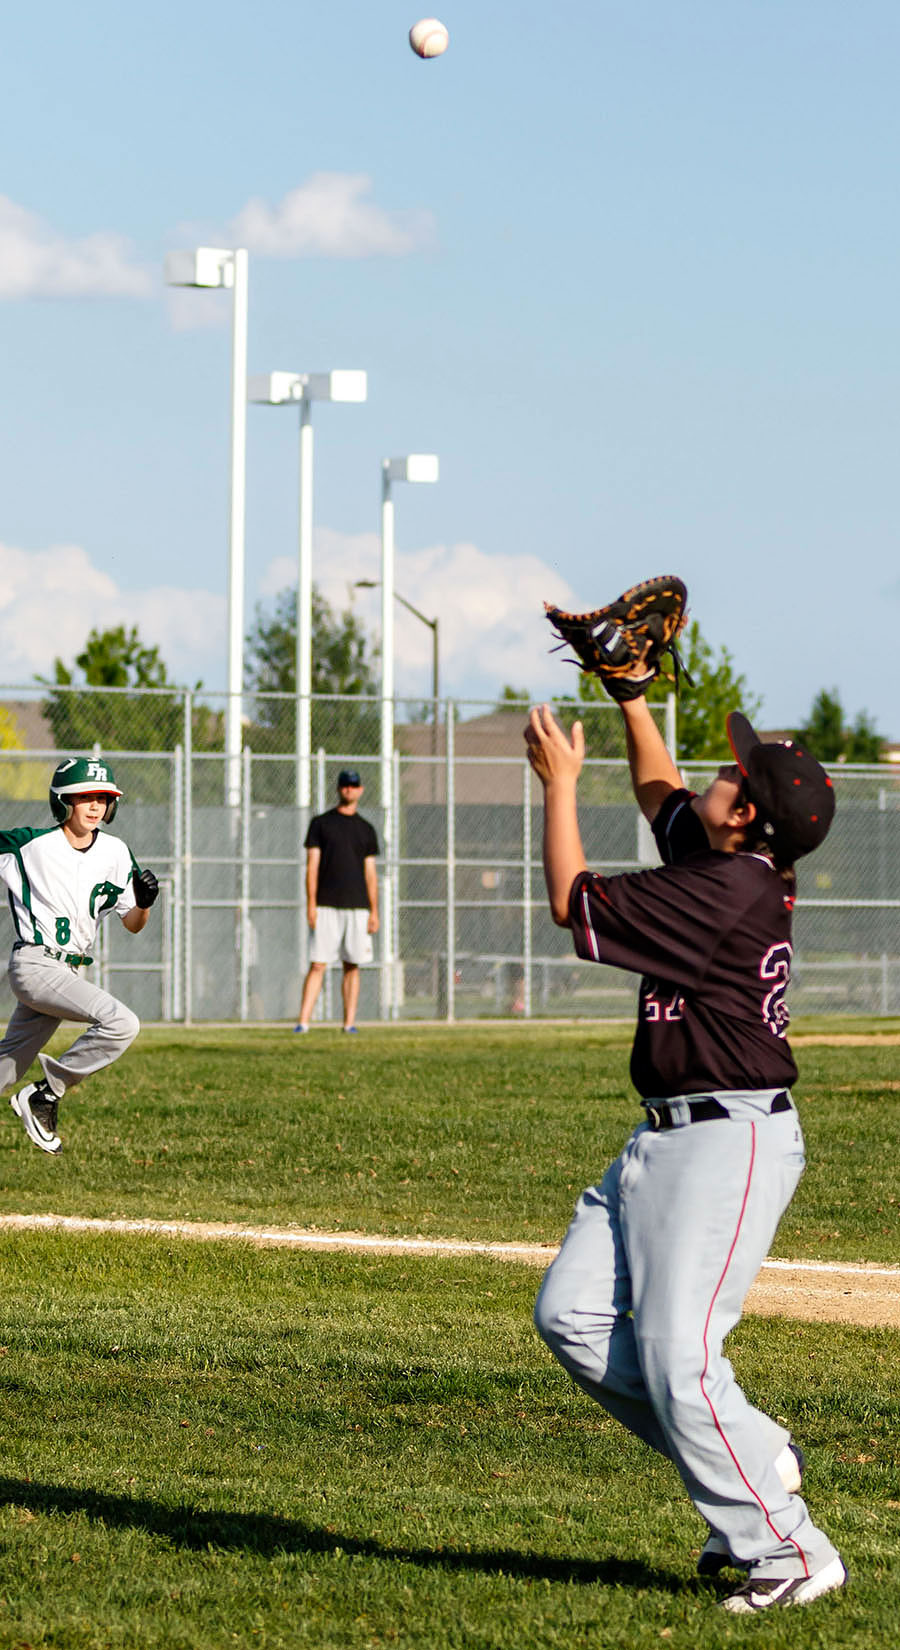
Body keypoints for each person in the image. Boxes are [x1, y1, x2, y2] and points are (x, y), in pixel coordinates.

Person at [525, 689, 848, 1614]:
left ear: (745, 815)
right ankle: (749, 1455)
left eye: (730, 774)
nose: (712, 773)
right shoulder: (730, 862)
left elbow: (570, 903)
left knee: (676, 1354)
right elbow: (661, 789)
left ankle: (790, 1552)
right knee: (574, 1315)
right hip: (666, 1134)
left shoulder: (731, 885)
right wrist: (630, 698)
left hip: (728, 1138)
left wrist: (557, 785)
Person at [0, 755, 159, 1155]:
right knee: (121, 1023)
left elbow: (133, 923)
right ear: (62, 802)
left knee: (6, 1067)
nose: (94, 805)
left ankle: (34, 1090)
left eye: (103, 798)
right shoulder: (29, 844)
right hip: (35, 963)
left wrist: (146, 903)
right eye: (83, 796)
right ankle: (46, 1092)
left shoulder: (117, 852)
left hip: (65, 972)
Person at [294, 769, 379, 1035]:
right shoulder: (321, 824)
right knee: (318, 963)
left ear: (360, 790)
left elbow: (371, 874)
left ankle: (349, 1023)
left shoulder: (366, 829)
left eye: (354, 786)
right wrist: (311, 904)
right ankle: (303, 1022)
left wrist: (374, 911)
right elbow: (312, 867)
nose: (349, 790)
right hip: (326, 905)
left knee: (352, 965)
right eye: (345, 786)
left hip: (357, 906)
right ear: (338, 789)